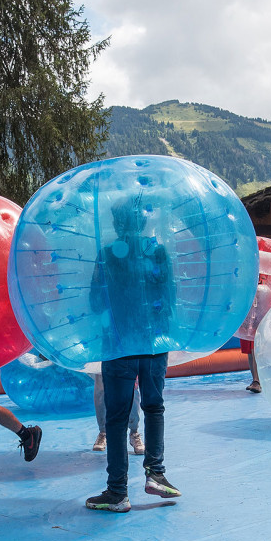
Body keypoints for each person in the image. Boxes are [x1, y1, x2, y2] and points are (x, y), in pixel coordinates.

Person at [85, 199, 180, 513]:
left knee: (116, 417)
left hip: (119, 344)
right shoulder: (158, 251)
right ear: (142, 223)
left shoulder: (107, 254)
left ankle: (117, 492)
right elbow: (169, 296)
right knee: (154, 406)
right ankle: (156, 474)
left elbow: (95, 302)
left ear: (116, 223)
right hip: (154, 343)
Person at [93, 372, 144, 454]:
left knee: (132, 385)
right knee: (101, 384)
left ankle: (134, 433)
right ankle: (103, 432)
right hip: (102, 364)